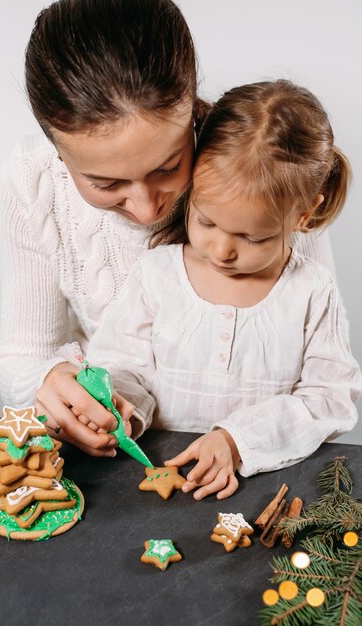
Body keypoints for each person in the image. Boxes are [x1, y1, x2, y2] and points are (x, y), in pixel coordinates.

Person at [0, 0, 339, 458]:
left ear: (192, 113)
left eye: (168, 166)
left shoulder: (263, 169)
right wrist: (50, 382)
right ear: (57, 152)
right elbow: (21, 357)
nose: (145, 207)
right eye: (106, 183)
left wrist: (242, 440)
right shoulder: (32, 180)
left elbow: (323, 379)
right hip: (122, 461)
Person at [85, 79, 361, 500]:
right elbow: (120, 364)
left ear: (304, 216)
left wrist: (236, 440)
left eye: (253, 238)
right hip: (153, 478)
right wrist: (121, 407)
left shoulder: (311, 290)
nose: (221, 250)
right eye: (207, 221)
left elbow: (331, 399)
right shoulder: (156, 273)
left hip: (268, 486)